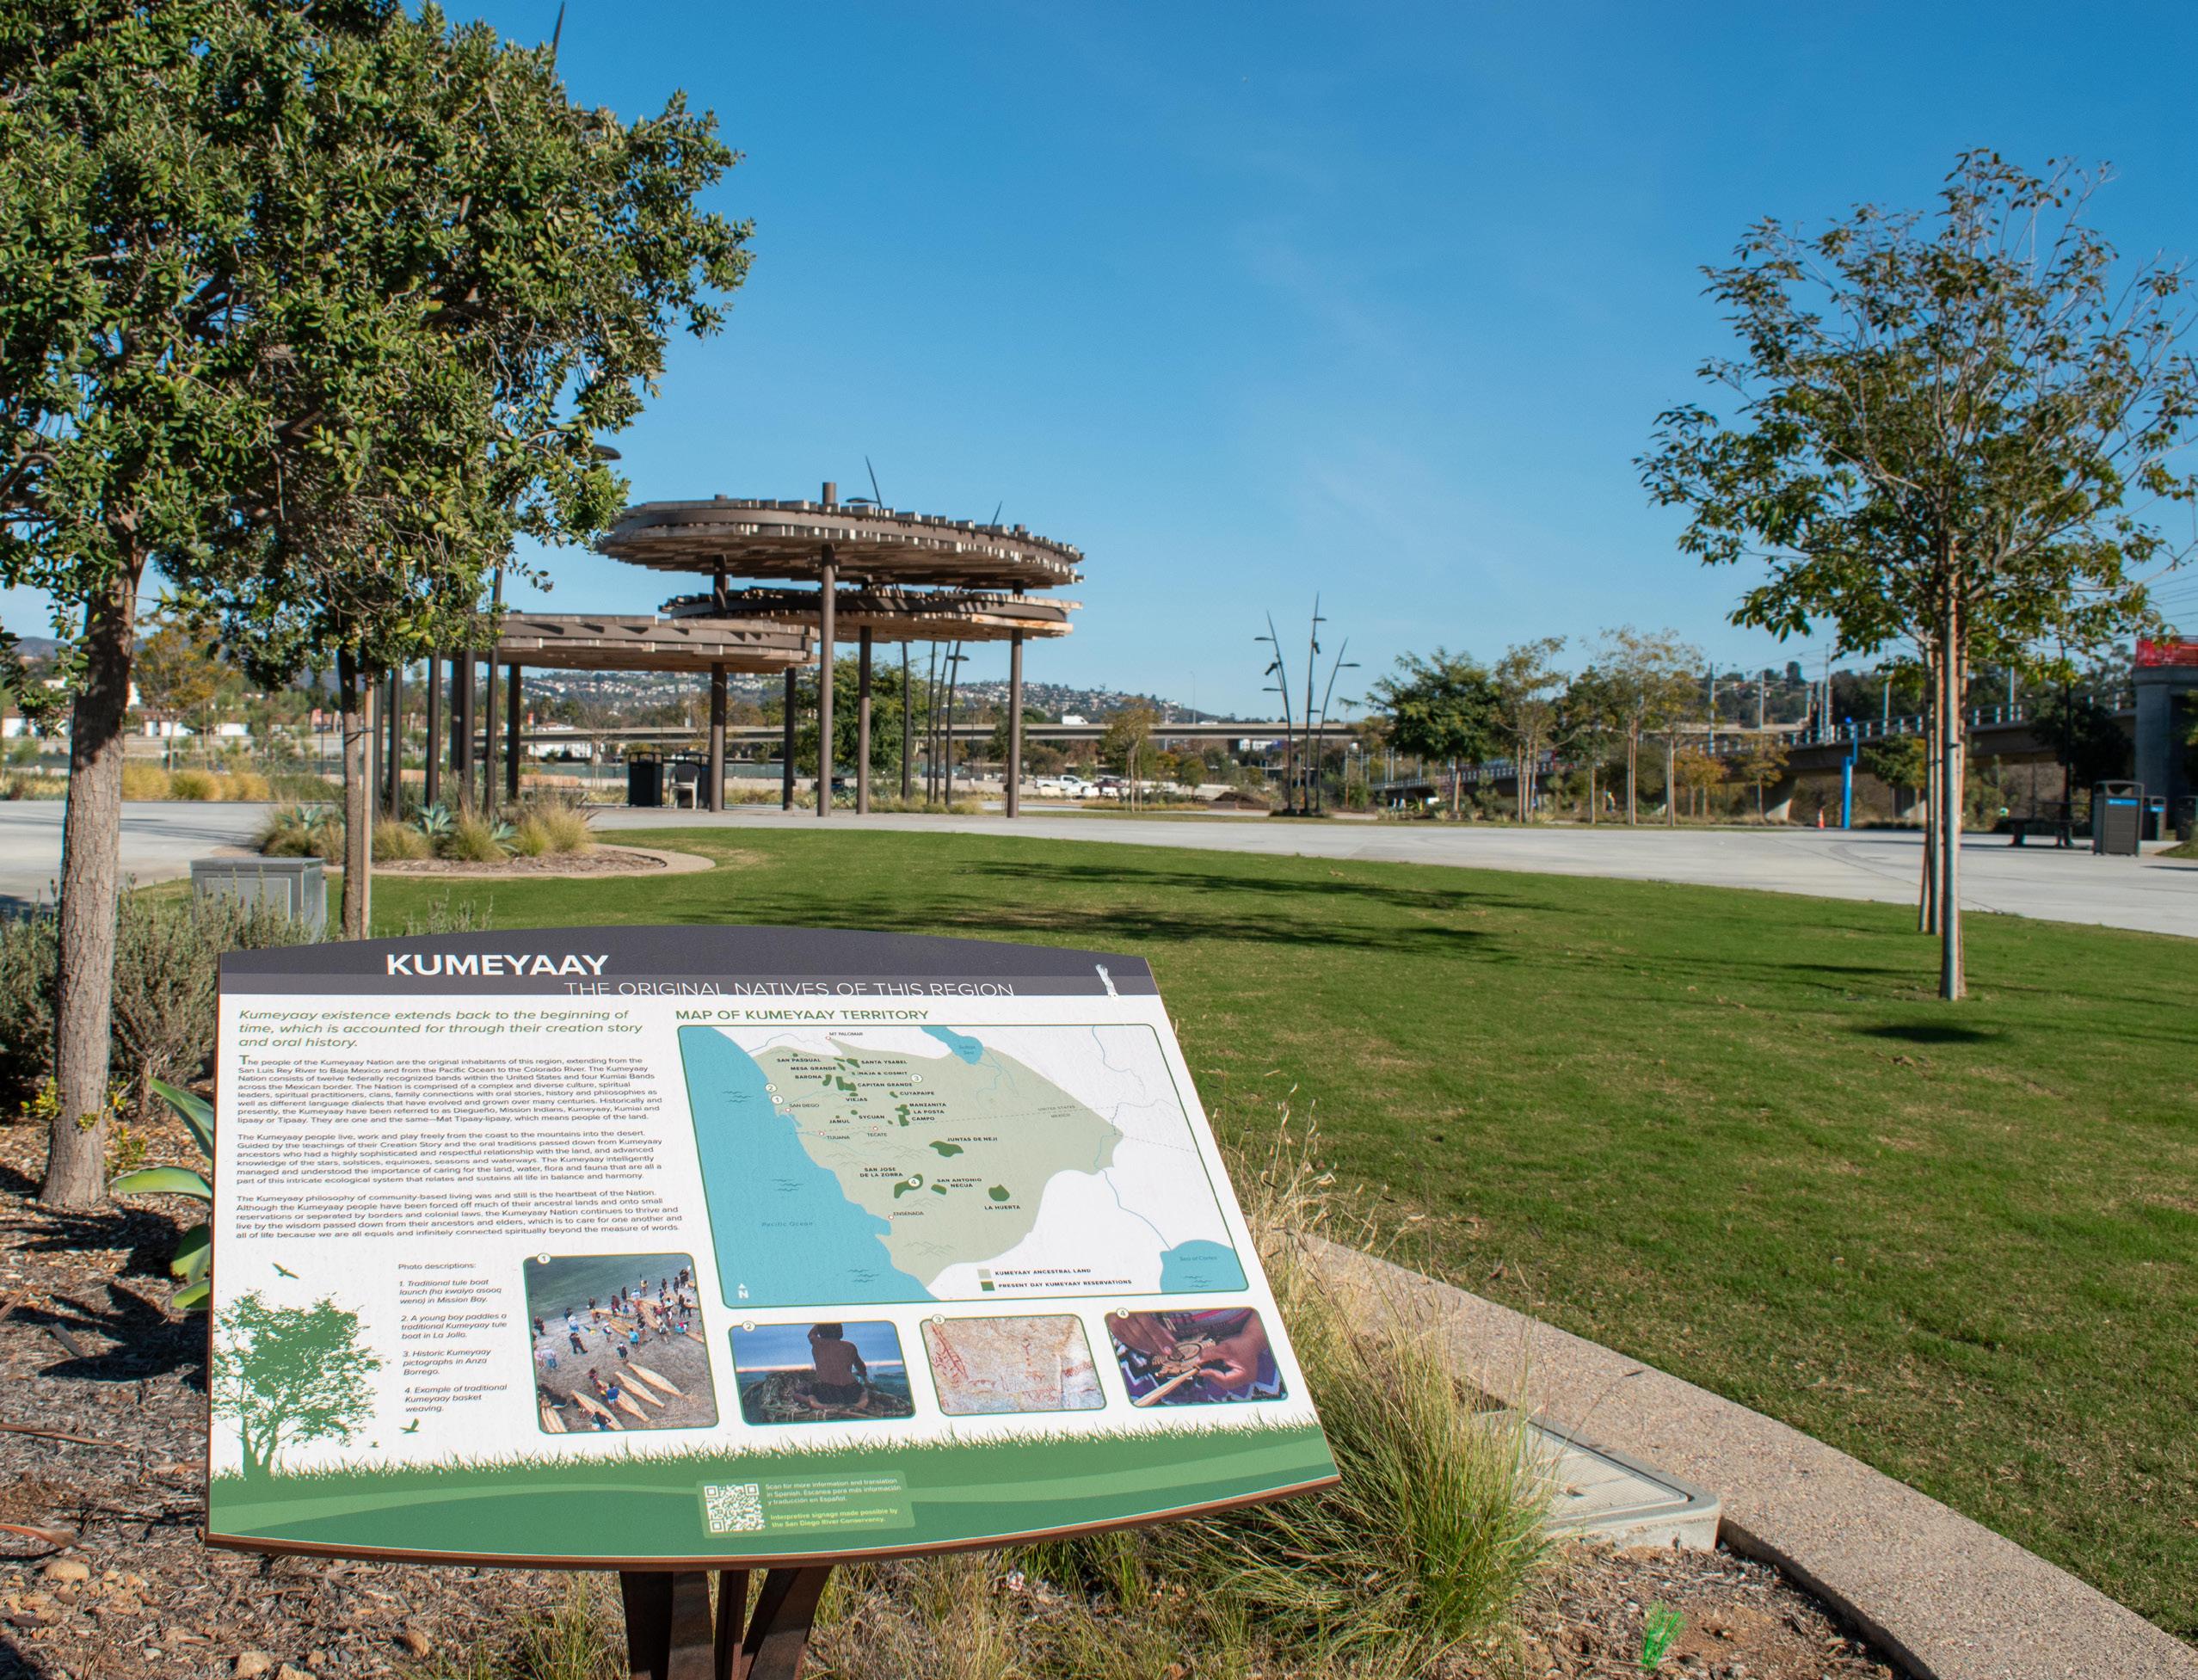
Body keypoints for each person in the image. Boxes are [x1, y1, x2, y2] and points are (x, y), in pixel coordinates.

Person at [803, 1323, 869, 1408]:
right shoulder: (850, 1346)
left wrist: (820, 1323)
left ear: (821, 1330)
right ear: (840, 1331)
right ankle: (862, 1402)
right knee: (864, 1391)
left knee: (798, 1395)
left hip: (827, 1391)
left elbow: (811, 1334)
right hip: (851, 1390)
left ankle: (814, 1402)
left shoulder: (818, 1343)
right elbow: (861, 1367)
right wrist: (866, 1381)